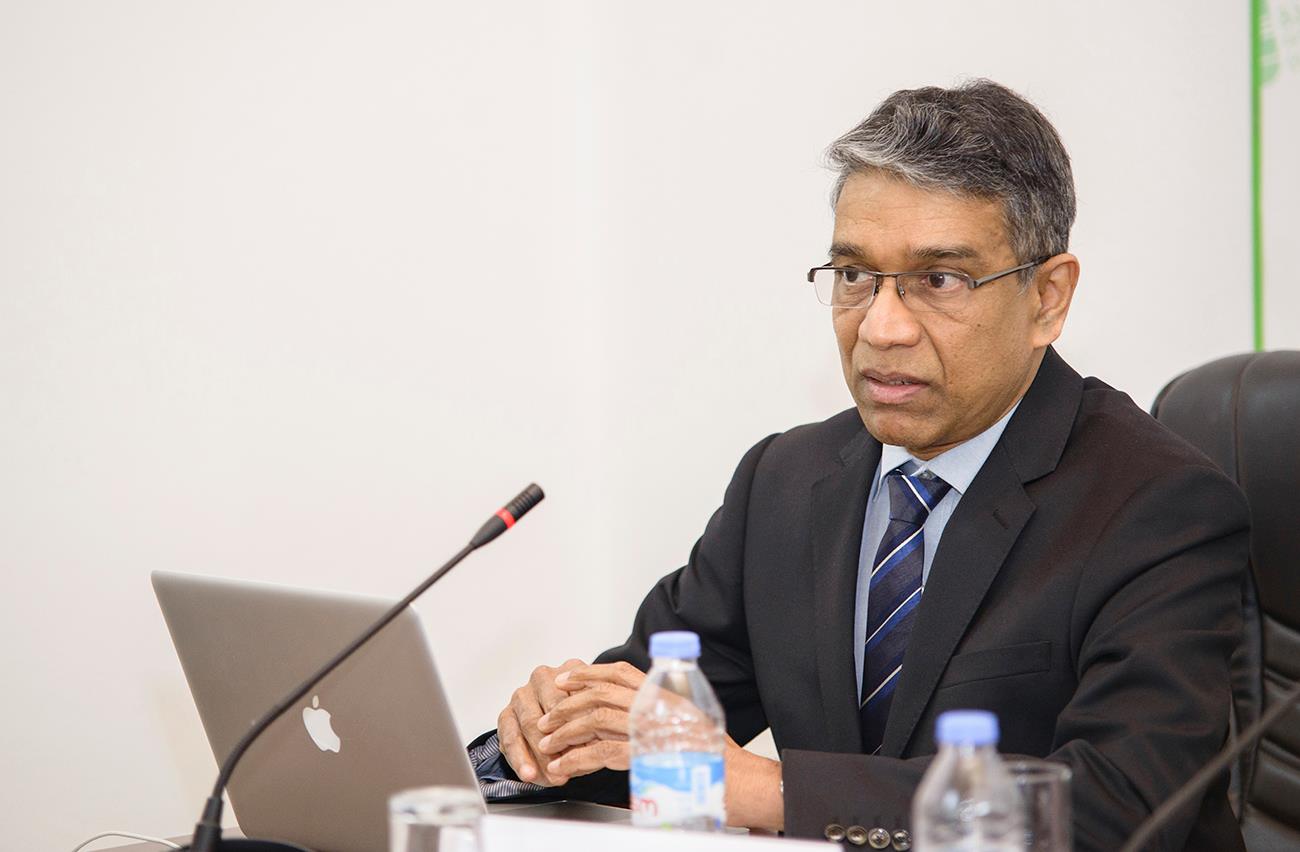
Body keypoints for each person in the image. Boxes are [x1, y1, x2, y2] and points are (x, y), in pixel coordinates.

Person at [468, 80, 1250, 850]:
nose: (881, 327)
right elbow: (648, 726)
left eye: (938, 281)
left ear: (1047, 297)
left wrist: (767, 790)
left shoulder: (1159, 506)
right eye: (853, 276)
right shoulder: (785, 483)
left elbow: (1114, 808)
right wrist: (542, 743)